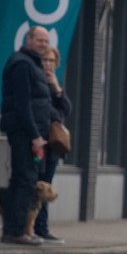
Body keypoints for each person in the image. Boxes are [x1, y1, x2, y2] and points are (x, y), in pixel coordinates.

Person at [1, 25, 51, 246]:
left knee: (24, 180)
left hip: (29, 131)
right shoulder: (22, 64)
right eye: (39, 40)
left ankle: (16, 228)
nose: (43, 45)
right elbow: (23, 104)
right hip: (24, 132)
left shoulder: (32, 64)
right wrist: (34, 135)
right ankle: (15, 230)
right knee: (25, 180)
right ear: (29, 40)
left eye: (46, 41)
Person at [34, 46, 73, 243]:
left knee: (46, 187)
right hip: (38, 142)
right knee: (33, 186)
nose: (48, 65)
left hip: (52, 147)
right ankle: (29, 227)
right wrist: (57, 115)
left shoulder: (53, 84)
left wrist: (58, 88)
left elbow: (66, 108)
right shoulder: (34, 80)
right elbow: (48, 111)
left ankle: (42, 227)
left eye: (51, 61)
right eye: (45, 60)